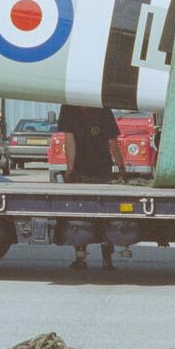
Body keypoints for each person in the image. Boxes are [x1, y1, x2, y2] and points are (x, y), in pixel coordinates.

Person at [57, 102, 118, 269]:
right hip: (101, 170)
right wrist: (122, 168)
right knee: (105, 213)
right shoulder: (103, 107)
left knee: (80, 213)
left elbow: (70, 139)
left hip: (81, 171)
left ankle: (80, 258)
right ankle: (107, 259)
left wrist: (70, 170)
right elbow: (113, 141)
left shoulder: (68, 106)